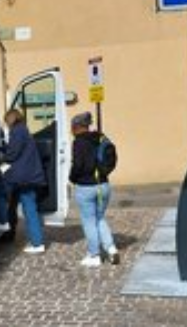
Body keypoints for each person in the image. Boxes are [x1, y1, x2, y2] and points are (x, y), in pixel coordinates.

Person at [70, 112, 120, 267]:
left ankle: (94, 255)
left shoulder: (79, 142)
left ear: (77, 127)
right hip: (103, 185)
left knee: (89, 221)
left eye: (72, 127)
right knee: (100, 218)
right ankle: (111, 249)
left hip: (86, 187)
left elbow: (78, 165)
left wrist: (72, 178)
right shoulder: (100, 137)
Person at [0, 109, 46, 253]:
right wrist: (3, 148)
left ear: (11, 119)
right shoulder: (23, 130)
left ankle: (37, 243)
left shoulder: (17, 131)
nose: (6, 124)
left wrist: (2, 160)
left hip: (24, 178)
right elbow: (16, 149)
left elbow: (13, 153)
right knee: (29, 208)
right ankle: (36, 241)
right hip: (29, 176)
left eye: (6, 121)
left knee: (27, 208)